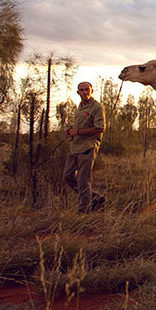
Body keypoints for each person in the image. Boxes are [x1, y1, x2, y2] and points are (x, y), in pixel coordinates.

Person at [63, 81, 105, 213]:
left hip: (88, 147)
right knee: (67, 175)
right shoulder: (79, 107)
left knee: (83, 180)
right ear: (78, 92)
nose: (85, 92)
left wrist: (79, 132)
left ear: (92, 90)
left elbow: (100, 128)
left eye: (87, 89)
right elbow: (79, 127)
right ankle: (95, 197)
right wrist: (71, 132)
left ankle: (84, 212)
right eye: (82, 90)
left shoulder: (97, 107)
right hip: (75, 147)